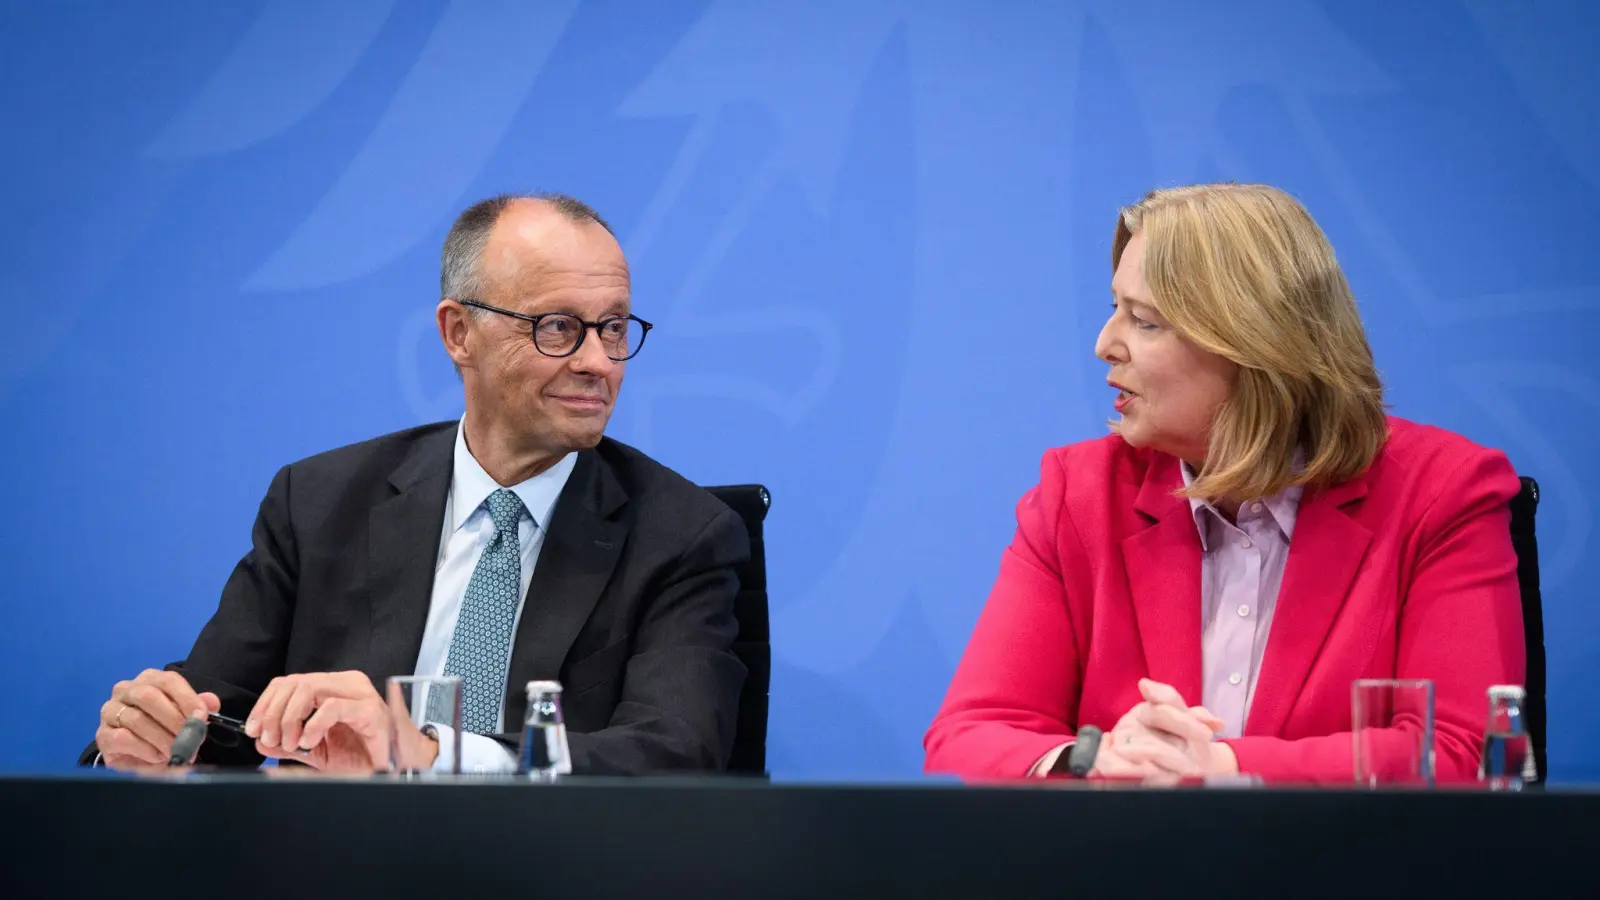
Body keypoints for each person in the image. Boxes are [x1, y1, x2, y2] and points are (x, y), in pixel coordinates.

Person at [84, 193, 749, 775]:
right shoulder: (318, 504)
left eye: (614, 328)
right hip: (340, 857)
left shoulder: (681, 536)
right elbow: (216, 719)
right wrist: (155, 733)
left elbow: (674, 754)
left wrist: (427, 754)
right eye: (558, 327)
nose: (599, 362)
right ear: (459, 333)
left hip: (552, 862)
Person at [923, 183, 1524, 784]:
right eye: (1115, 309)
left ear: (1253, 342)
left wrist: (1223, 767)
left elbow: (1467, 751)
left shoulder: (1442, 493)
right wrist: (1096, 761)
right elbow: (970, 734)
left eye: (1145, 321)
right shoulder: (1078, 496)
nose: (1104, 345)